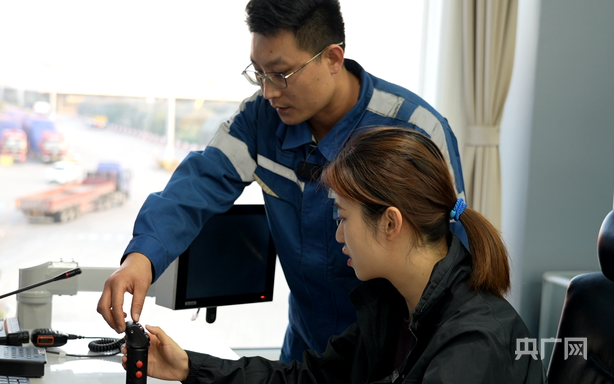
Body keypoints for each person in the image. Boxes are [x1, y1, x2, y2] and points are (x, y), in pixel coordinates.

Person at [98, 0, 465, 363]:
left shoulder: (414, 130)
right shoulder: (261, 120)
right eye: (258, 73)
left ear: (332, 58)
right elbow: (196, 184)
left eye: (281, 74)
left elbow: (450, 263)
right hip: (305, 352)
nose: (268, 91)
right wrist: (141, 258)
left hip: (393, 356)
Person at [121, 127, 546, 384]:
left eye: (342, 217)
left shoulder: (473, 345)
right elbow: (309, 378)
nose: (338, 233)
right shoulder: (392, 305)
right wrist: (188, 367)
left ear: (391, 223)